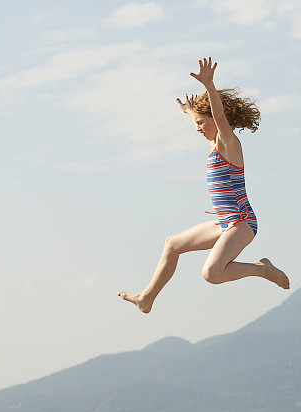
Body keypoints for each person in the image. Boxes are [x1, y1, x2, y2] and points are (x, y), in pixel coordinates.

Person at [118, 57, 289, 314]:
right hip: (224, 221)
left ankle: (262, 269)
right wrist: (190, 111)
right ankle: (147, 298)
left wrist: (209, 85)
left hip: (241, 222)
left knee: (211, 273)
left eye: (200, 123)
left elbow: (217, 114)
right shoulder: (212, 143)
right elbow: (207, 117)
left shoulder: (227, 142)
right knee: (172, 244)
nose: (197, 128)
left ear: (216, 119)